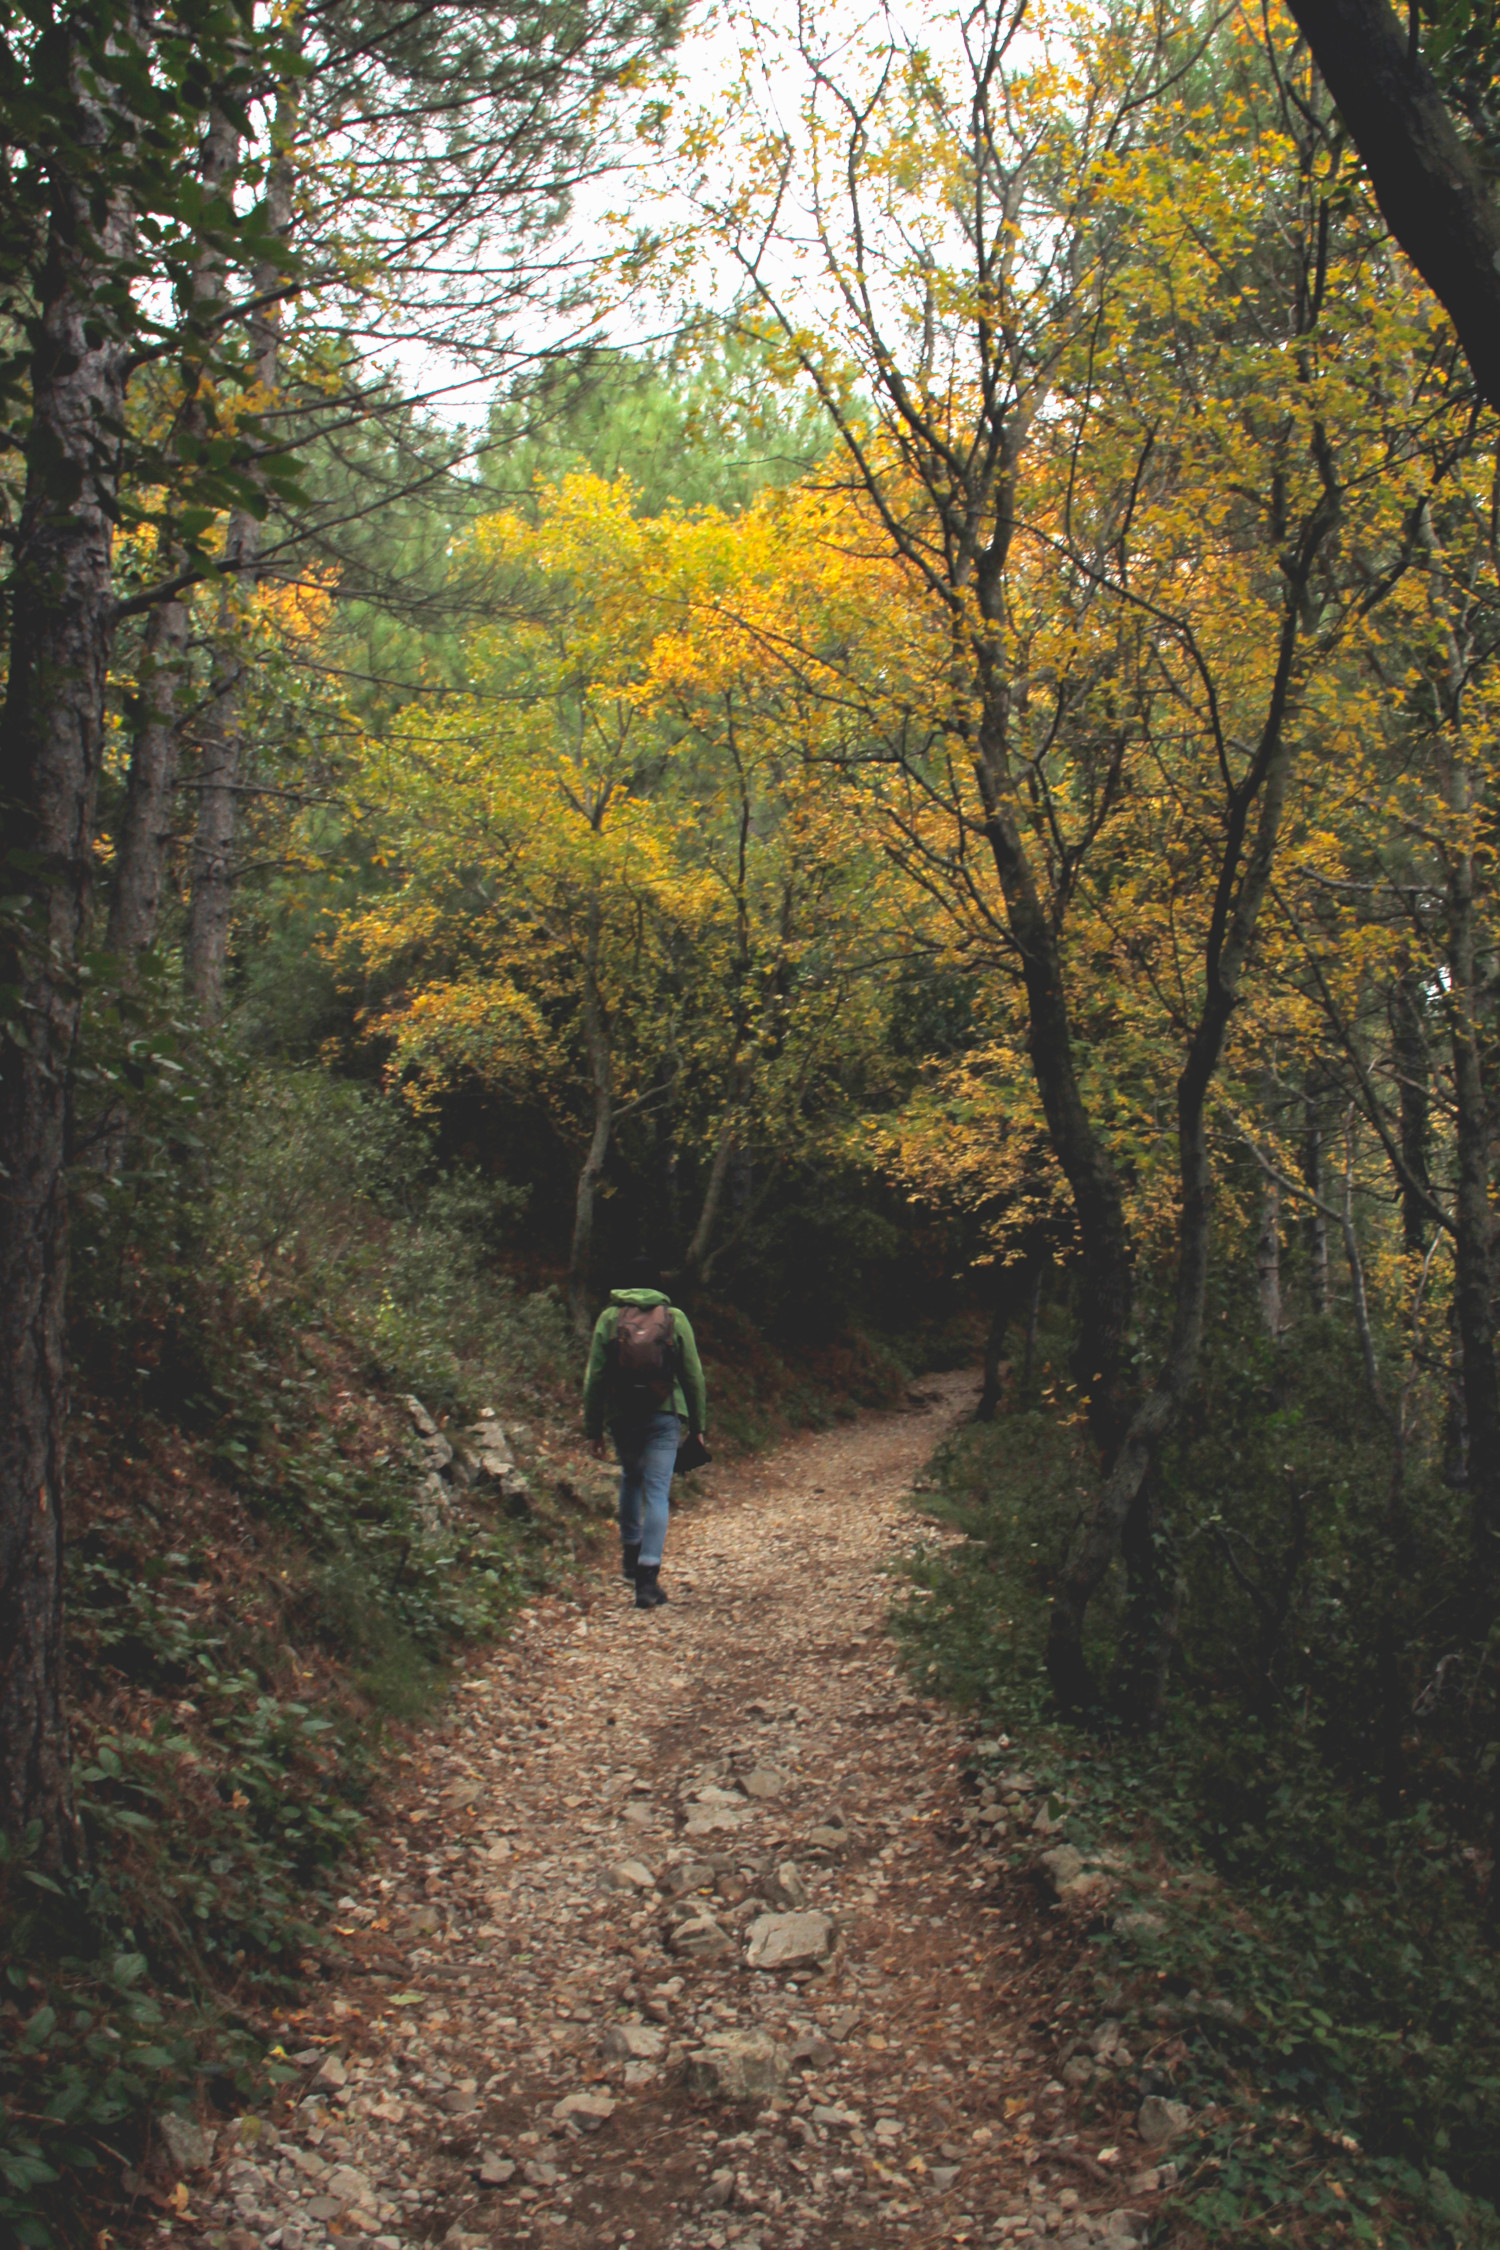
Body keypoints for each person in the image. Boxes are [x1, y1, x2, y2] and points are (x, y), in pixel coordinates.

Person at [581, 1258, 707, 1610]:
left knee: (631, 1479)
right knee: (657, 1492)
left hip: (623, 1415)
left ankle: (629, 1560)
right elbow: (693, 1376)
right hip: (663, 1414)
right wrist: (698, 1427)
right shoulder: (674, 1318)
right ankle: (648, 1582)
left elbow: (595, 1378)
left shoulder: (610, 1318)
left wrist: (593, 1429)